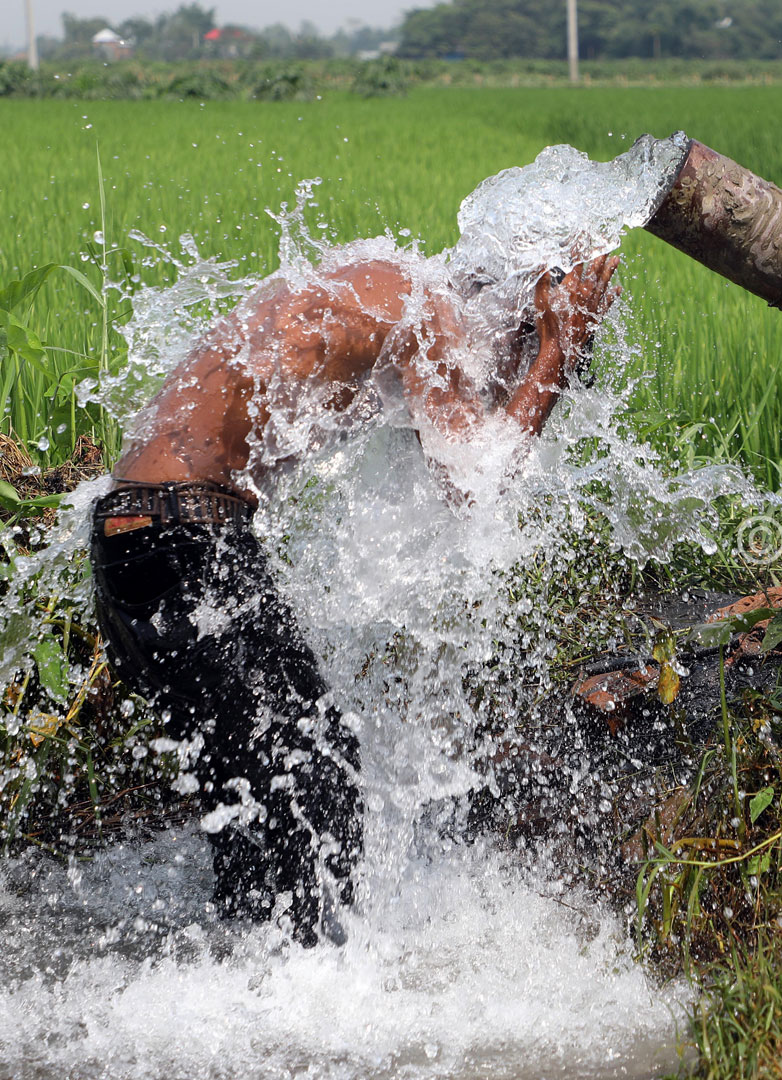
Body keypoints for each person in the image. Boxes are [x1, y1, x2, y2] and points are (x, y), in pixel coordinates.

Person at [89, 251, 622, 944]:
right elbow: (475, 482)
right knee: (318, 777)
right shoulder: (428, 314)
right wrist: (561, 350)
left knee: (254, 796)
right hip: (185, 536)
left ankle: (246, 984)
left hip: (131, 537)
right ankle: (313, 994)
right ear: (519, 314)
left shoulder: (380, 286)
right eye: (520, 352)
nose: (505, 379)